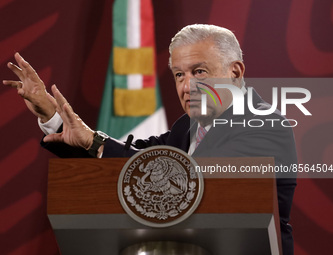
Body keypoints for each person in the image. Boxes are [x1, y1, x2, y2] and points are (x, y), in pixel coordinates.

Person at [3, 24, 297, 255]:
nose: (187, 86)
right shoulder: (187, 128)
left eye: (199, 71)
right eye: (179, 74)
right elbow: (133, 161)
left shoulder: (266, 125)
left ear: (235, 72)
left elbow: (189, 187)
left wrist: (99, 143)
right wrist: (57, 119)